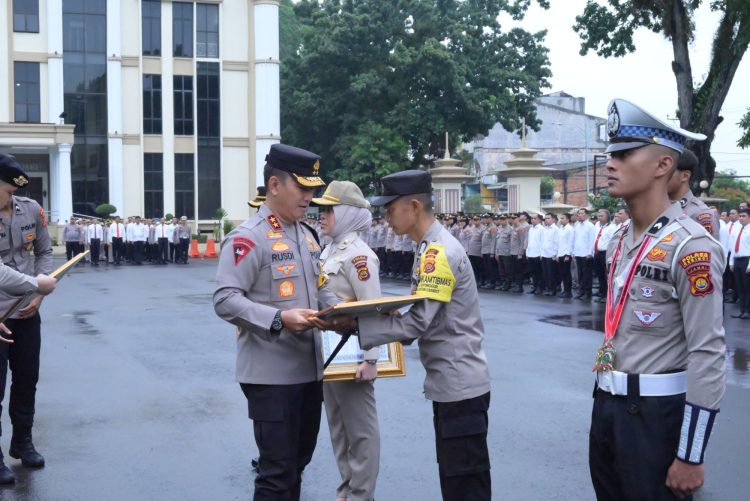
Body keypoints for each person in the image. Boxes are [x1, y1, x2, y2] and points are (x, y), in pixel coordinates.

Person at [315, 170, 491, 501]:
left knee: (465, 483)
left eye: (390, 208)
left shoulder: (438, 252)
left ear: (413, 206)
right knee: (456, 478)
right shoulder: (427, 248)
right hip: (451, 383)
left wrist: (356, 325)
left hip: (460, 384)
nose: (385, 216)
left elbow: (417, 324)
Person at [589, 99, 726, 500]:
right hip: (609, 406)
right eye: (610, 155)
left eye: (624, 154)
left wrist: (690, 453)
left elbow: (708, 350)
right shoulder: (620, 240)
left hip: (656, 417)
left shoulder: (691, 246)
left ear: (663, 166)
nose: (610, 164)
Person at [213, 144, 340, 500]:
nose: (309, 196)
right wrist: (279, 319)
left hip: (309, 371)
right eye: (302, 188)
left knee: (297, 464)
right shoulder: (247, 237)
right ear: (274, 185)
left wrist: (347, 312)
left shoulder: (306, 235)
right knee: (276, 474)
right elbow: (225, 300)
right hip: (271, 377)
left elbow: (320, 291)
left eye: (313, 189)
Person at [313, 181, 381, 501]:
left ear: (346, 213)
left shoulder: (360, 256)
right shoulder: (329, 249)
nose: (321, 215)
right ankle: (347, 488)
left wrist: (371, 360)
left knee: (361, 433)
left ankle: (361, 494)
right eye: (322, 209)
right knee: (338, 430)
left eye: (329, 209)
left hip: (353, 355)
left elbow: (373, 310)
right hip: (328, 354)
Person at [0, 154, 54, 483]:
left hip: (26, 311)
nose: (12, 198)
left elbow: (44, 252)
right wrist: (36, 284)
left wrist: (38, 294)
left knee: (27, 380)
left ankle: (22, 442)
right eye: (7, 191)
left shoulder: (31, 210)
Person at [667, 149, 720, 239]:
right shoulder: (655, 208)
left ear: (685, 176)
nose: (659, 175)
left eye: (666, 170)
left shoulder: (701, 215)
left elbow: (707, 251)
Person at [729, 208, 750, 319]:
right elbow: (733, 247)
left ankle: (747, 310)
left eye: (744, 216)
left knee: (747, 288)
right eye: (740, 216)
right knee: (739, 287)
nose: (741, 218)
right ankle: (742, 310)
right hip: (737, 260)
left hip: (746, 260)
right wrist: (731, 262)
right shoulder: (737, 229)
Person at [592, 209, 616, 303]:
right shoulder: (597, 225)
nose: (599, 217)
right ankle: (601, 292)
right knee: (600, 274)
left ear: (607, 217)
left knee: (606, 275)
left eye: (602, 216)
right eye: (599, 215)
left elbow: (612, 242)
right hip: (597, 253)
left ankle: (607, 295)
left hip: (605, 253)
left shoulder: (612, 227)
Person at [540, 213, 559, 296]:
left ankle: (552, 289)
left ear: (553, 219)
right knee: (545, 273)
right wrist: (541, 253)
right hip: (544, 254)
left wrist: (554, 254)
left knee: (552, 274)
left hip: (551, 255)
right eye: (545, 218)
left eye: (548, 218)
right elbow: (542, 242)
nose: (546, 220)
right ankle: (547, 288)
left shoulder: (555, 229)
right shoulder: (544, 229)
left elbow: (556, 242)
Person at [557, 212, 574, 298]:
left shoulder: (570, 229)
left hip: (566, 254)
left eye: (563, 218)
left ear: (567, 219)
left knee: (566, 273)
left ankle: (568, 291)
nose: (561, 220)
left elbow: (570, 242)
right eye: (561, 218)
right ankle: (564, 290)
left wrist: (568, 255)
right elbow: (559, 242)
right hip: (560, 253)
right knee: (562, 273)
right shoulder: (561, 228)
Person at [525, 213, 543, 294]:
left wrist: (541, 254)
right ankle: (534, 286)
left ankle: (540, 287)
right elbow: (529, 241)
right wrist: (527, 252)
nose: (532, 220)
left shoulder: (541, 229)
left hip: (537, 254)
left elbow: (543, 242)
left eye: (535, 218)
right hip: (531, 253)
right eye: (531, 218)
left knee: (539, 272)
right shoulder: (531, 228)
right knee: (533, 272)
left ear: (539, 219)